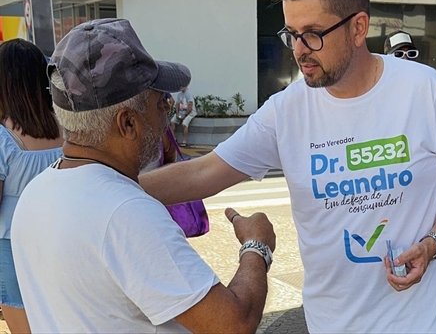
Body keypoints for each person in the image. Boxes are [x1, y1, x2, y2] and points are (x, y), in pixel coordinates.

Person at [140, 0, 436, 333]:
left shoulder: (421, 89)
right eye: (291, 34)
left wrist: (433, 241)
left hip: (419, 325)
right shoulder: (286, 110)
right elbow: (204, 172)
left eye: (312, 34)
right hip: (330, 325)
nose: (298, 50)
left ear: (358, 28)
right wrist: (100, 184)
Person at [11, 18, 276, 333]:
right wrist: (256, 247)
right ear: (128, 123)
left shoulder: (36, 192)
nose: (168, 109)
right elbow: (233, 324)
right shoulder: (127, 213)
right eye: (160, 100)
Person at [0, 39, 63, 334]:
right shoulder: (66, 127)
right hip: (59, 235)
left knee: (21, 319)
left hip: (10, 243)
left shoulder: (3, 137)